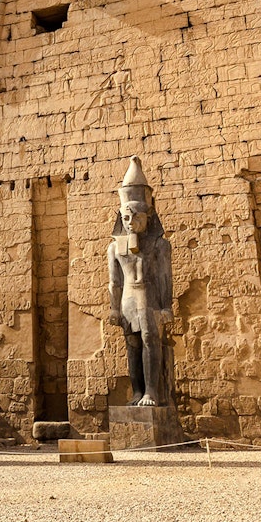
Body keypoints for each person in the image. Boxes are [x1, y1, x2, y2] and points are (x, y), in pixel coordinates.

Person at [107, 156, 173, 407]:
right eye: (126, 219)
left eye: (136, 218)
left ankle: (151, 392)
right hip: (128, 300)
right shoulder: (114, 247)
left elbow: (165, 277)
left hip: (149, 297)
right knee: (132, 343)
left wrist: (166, 306)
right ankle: (137, 391)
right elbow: (114, 283)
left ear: (149, 216)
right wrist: (113, 308)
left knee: (149, 340)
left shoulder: (158, 244)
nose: (131, 223)